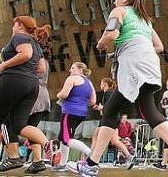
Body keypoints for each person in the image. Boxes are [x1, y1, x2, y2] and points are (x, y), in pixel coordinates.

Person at [67, 0, 168, 177]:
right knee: (144, 109)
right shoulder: (146, 20)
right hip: (150, 64)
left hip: (134, 64)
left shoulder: (119, 11)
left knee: (113, 110)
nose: (114, 1)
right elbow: (160, 46)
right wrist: (124, 51)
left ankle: (91, 164)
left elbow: (111, 34)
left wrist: (101, 43)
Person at [0, 16, 52, 174]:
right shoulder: (36, 44)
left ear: (20, 25)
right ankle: (49, 144)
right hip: (32, 85)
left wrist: (4, 66)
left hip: (13, 80)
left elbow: (26, 54)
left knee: (3, 119)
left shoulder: (19, 37)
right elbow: (41, 68)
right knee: (20, 124)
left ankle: (13, 157)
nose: (12, 28)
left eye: (14, 25)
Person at [54, 62, 96, 171]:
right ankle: (62, 164)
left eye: (72, 68)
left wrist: (58, 95)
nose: (70, 70)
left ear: (80, 70)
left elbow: (64, 94)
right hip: (82, 113)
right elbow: (93, 101)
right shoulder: (89, 82)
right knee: (63, 138)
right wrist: (80, 103)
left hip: (69, 112)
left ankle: (91, 154)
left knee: (66, 138)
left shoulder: (71, 79)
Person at [91, 78, 135, 169]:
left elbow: (109, 106)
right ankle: (129, 157)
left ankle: (91, 159)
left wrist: (101, 108)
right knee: (114, 141)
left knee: (96, 137)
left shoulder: (108, 93)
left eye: (101, 83)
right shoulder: (111, 93)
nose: (100, 85)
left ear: (105, 84)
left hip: (109, 118)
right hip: (114, 118)